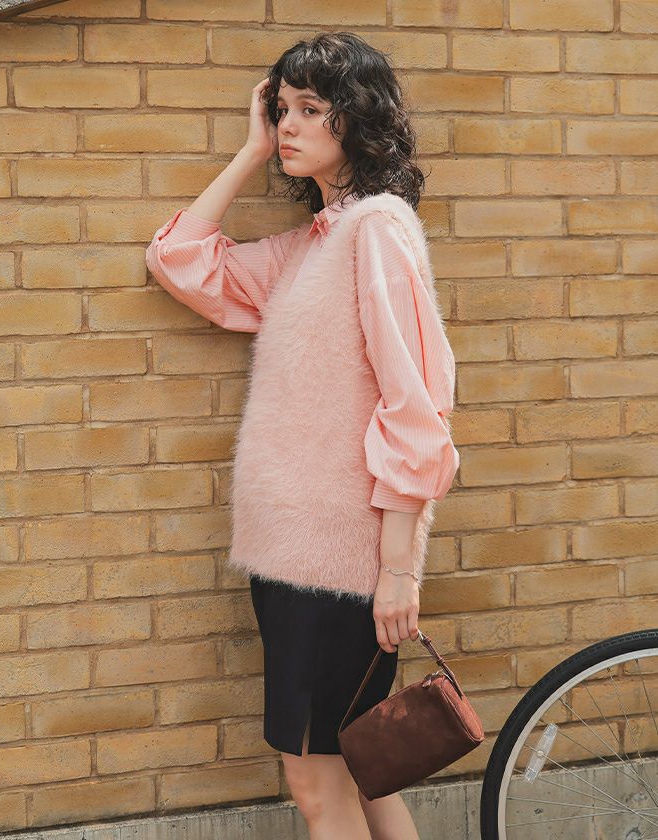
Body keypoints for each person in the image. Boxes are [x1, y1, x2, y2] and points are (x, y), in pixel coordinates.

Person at [146, 32, 459, 840]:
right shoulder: (310, 247)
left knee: (318, 786)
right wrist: (252, 152)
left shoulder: (377, 230)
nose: (288, 124)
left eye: (310, 109)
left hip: (337, 563)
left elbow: (416, 404)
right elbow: (180, 260)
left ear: (356, 119)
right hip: (287, 555)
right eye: (281, 108)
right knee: (363, 770)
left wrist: (398, 571)